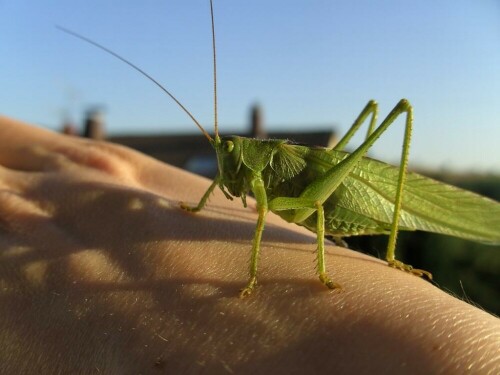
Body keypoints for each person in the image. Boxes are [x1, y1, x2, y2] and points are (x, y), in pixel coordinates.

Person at [0, 115, 498, 374]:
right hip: (318, 199)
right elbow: (242, 191)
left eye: (229, 153)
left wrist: (256, 278)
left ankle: (391, 253)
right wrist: (198, 207)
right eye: (222, 155)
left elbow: (291, 210)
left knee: (322, 200)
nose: (224, 164)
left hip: (336, 196)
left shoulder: (269, 161)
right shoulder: (240, 163)